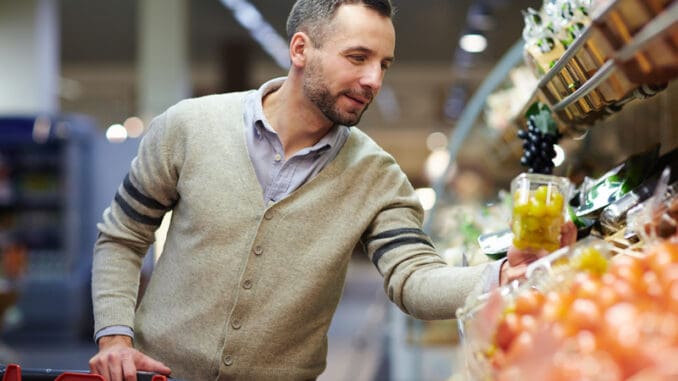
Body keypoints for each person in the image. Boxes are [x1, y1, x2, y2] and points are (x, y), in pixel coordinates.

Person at [88, 1, 576, 380]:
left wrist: (500, 275)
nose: (373, 80)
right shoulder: (189, 127)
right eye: (358, 58)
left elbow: (412, 279)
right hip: (160, 375)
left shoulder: (377, 177)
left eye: (384, 64)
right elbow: (123, 235)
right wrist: (114, 338)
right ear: (301, 49)